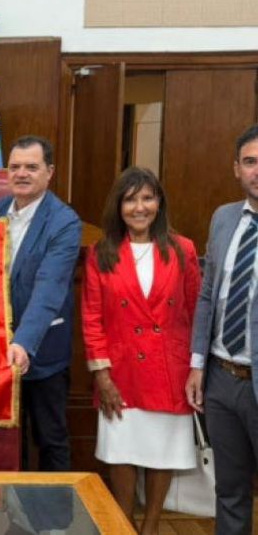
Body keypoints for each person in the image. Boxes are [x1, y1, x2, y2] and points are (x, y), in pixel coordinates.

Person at [83, 167, 200, 534]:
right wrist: (102, 376)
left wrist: (197, 367)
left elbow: (199, 310)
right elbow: (91, 318)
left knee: (161, 453)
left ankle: (149, 527)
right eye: (130, 199)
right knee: (122, 452)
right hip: (121, 373)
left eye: (147, 198)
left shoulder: (184, 250)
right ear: (118, 206)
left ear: (159, 202)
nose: (139, 207)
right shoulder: (101, 253)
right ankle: (123, 525)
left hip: (170, 370)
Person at [0, 135, 81, 471]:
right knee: (9, 442)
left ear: (49, 172)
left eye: (31, 166)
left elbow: (49, 288)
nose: (21, 173)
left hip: (42, 352)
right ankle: (16, 519)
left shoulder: (65, 222)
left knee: (50, 439)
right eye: (15, 167)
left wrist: (24, 342)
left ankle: (54, 523)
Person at [186, 123, 258, 535]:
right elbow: (208, 294)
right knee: (229, 491)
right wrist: (198, 364)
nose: (257, 170)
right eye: (250, 161)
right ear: (236, 168)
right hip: (222, 380)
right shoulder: (223, 218)